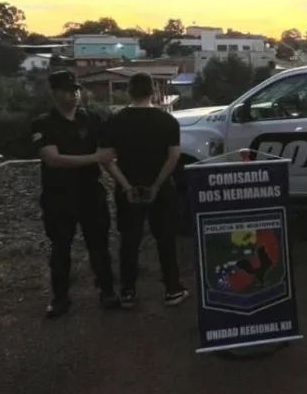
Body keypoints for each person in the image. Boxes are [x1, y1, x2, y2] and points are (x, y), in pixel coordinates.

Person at [30, 70, 119, 318]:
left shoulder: (91, 119)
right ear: (55, 93)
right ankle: (60, 298)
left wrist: (123, 182)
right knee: (60, 247)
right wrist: (94, 157)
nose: (74, 95)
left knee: (99, 245)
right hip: (58, 195)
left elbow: (107, 155)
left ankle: (107, 291)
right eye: (68, 91)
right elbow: (52, 159)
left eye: (76, 90)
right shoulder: (43, 123)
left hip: (91, 192)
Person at [99, 72, 189, 309]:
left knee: (129, 240)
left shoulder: (115, 121)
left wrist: (127, 186)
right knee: (165, 238)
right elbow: (174, 156)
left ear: (129, 92)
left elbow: (107, 159)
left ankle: (128, 291)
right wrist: (156, 185)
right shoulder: (167, 121)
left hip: (128, 189)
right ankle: (172, 288)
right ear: (153, 92)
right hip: (161, 189)